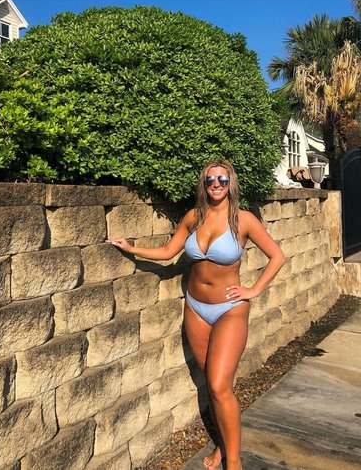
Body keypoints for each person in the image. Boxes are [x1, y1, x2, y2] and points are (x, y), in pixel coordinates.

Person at [108, 160, 285, 470]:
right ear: (203, 184)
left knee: (218, 385)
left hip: (229, 309)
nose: (216, 184)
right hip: (196, 308)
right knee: (214, 386)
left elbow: (277, 256)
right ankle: (222, 445)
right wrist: (132, 249)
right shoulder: (193, 217)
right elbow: (168, 251)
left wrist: (253, 290)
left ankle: (233, 461)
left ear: (231, 184)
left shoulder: (243, 220)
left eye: (222, 180)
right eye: (210, 179)